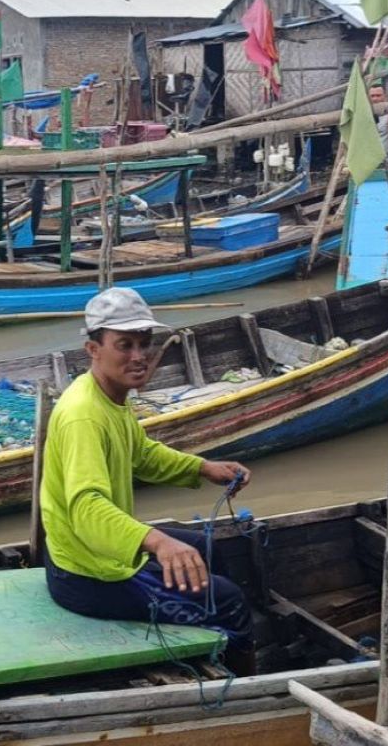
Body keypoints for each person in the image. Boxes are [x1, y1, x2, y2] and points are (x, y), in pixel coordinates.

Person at [39, 286, 255, 669]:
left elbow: (141, 453)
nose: (139, 356)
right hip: (87, 575)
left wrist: (202, 468)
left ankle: (206, 637)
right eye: (124, 345)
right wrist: (158, 542)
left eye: (144, 343)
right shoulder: (83, 415)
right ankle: (241, 681)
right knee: (229, 602)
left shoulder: (111, 396)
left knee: (207, 548)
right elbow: (86, 508)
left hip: (97, 553)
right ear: (93, 350)